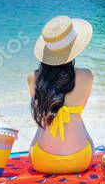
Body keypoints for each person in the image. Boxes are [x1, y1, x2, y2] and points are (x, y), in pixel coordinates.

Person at [27, 15, 95, 174]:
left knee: (45, 119)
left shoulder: (33, 78)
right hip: (80, 161)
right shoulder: (87, 76)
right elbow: (81, 108)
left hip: (42, 162)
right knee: (77, 117)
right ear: (75, 47)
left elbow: (40, 118)